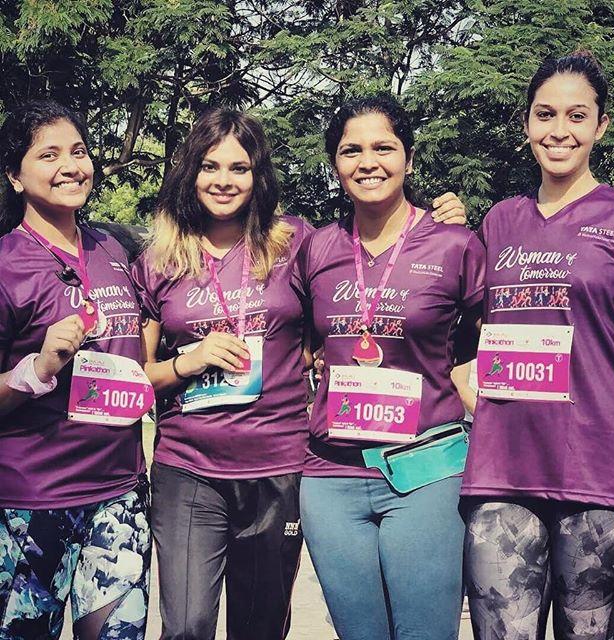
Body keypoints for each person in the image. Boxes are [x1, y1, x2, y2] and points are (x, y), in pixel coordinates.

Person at [131, 106, 467, 640]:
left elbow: (348, 304)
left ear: (258, 176)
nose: (223, 180)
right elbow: (135, 376)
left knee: (262, 627)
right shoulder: (157, 259)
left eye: (239, 168)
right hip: (189, 466)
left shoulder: (295, 241)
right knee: (187, 626)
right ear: (188, 172)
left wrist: (444, 218)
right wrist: (185, 362)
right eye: (210, 166)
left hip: (280, 462)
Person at [461, 51, 614, 640]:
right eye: (545, 114)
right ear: (526, 124)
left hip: (601, 475)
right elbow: (465, 332)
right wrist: (469, 383)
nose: (558, 130)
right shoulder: (500, 221)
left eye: (576, 115)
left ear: (600, 126)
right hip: (501, 472)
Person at [293, 94, 486, 640]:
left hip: (425, 468)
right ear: (335, 163)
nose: (367, 161)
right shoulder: (317, 248)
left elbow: (484, 347)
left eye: (384, 147)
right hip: (330, 477)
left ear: (408, 157)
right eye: (351, 150)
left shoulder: (456, 244)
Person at [0, 100, 151, 639]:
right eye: (49, 154)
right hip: (30, 503)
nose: (70, 165)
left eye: (79, 151)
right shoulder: (5, 263)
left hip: (120, 495)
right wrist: (36, 368)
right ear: (14, 176)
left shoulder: (117, 247)